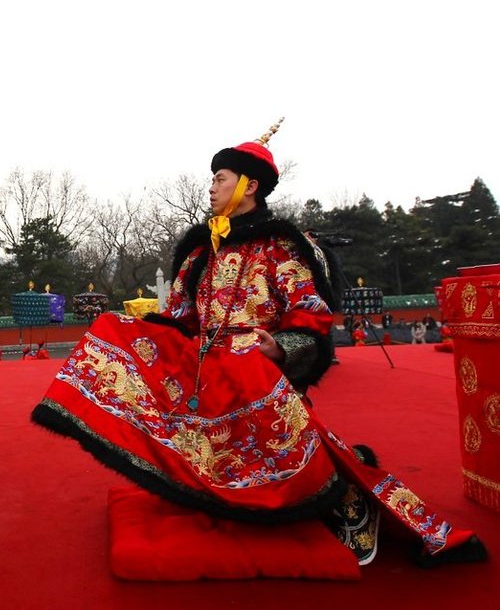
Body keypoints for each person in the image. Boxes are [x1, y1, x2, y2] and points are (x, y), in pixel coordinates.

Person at [32, 121, 485, 568]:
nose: (211, 187)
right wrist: (144, 326)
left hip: (255, 361)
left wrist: (282, 347)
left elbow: (310, 312)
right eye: (212, 179)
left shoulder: (281, 247)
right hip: (205, 359)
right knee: (114, 328)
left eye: (220, 179)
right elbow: (184, 317)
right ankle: (210, 488)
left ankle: (342, 498)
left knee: (246, 369)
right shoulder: (200, 251)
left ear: (248, 186)